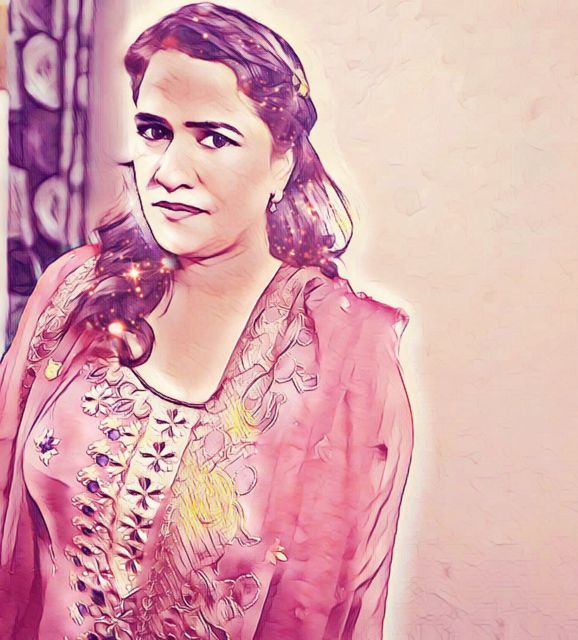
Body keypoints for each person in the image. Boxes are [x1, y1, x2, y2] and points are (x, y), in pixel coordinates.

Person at [0, 3, 414, 639]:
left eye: (214, 138)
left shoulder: (341, 356)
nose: (168, 173)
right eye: (154, 131)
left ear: (282, 161)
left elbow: (331, 605)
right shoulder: (76, 294)